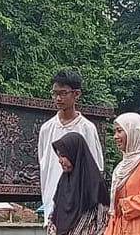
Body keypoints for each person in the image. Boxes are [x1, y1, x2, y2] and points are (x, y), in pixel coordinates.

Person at [38, 70, 104, 223]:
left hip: (80, 206)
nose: (58, 98)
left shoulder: (87, 128)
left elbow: (96, 167)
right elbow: (44, 165)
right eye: (54, 94)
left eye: (63, 93)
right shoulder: (46, 129)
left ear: (76, 94)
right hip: (53, 203)